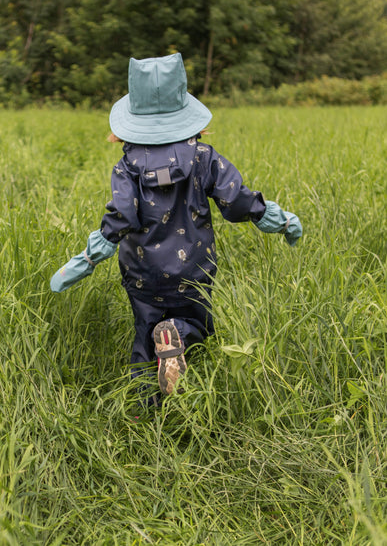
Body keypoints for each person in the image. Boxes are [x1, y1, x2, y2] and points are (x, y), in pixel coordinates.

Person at [50, 53, 302, 402]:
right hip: (193, 270)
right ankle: (179, 334)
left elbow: (121, 214)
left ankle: (143, 406)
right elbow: (238, 201)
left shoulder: (128, 167)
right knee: (198, 324)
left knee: (144, 332)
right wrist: (278, 219)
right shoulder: (205, 158)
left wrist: (89, 258)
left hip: (141, 273)